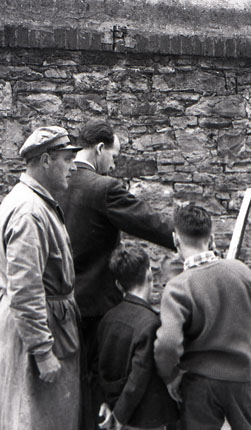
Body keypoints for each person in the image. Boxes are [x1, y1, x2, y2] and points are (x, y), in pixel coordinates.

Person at [59, 119, 176, 429]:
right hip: (97, 306)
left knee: (76, 385)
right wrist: (186, 238)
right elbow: (146, 220)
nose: (113, 164)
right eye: (114, 155)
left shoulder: (58, 184)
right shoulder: (103, 187)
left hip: (64, 304)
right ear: (100, 148)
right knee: (102, 384)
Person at [0, 126, 82, 430]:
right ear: (45, 160)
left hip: (40, 325)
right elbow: (25, 289)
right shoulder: (29, 211)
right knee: (33, 419)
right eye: (67, 159)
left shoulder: (33, 202)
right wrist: (42, 352)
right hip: (38, 330)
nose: (73, 167)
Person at [154, 204, 251, 430]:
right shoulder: (241, 271)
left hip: (198, 384)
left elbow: (168, 343)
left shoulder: (177, 287)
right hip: (241, 380)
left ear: (175, 240)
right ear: (211, 239)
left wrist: (171, 376)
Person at [97, 245, 179, 430]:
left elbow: (99, 369)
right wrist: (119, 416)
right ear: (149, 274)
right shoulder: (151, 323)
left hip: (114, 410)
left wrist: (107, 405)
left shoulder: (107, 319)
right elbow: (138, 377)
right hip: (143, 418)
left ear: (118, 285)